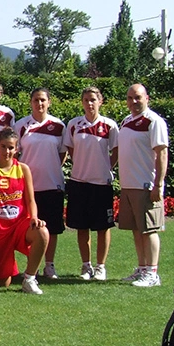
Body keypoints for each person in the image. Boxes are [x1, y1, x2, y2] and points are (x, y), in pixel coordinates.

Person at [0, 127, 50, 295]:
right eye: (4, 146)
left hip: (18, 227)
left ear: (17, 148)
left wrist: (34, 217)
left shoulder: (23, 169)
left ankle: (29, 279)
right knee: (0, 283)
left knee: (42, 232)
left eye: (11, 147)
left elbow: (30, 199)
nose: (7, 151)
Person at [63, 86, 119, 281]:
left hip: (101, 184)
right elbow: (68, 148)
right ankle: (86, 266)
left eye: (93, 100)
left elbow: (116, 150)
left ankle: (101, 266)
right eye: (86, 100)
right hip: (79, 181)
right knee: (82, 226)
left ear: (100, 101)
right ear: (82, 102)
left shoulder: (110, 125)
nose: (89, 103)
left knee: (103, 227)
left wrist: (106, 168)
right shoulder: (73, 124)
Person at [118, 84, 169, 288]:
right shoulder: (127, 121)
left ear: (147, 98)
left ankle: (152, 272)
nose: (134, 102)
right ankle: (142, 268)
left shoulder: (154, 121)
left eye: (138, 97)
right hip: (129, 184)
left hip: (146, 184)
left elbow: (162, 153)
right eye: (130, 98)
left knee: (149, 229)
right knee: (137, 229)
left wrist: (158, 184)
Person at [12, 88, 66, 279]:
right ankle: (28, 267)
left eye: (43, 100)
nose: (39, 103)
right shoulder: (20, 125)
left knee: (52, 229)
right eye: (36, 100)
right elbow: (14, 154)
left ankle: (49, 266)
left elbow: (62, 153)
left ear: (49, 102)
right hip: (28, 187)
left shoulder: (59, 126)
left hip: (53, 184)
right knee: (28, 228)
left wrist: (50, 167)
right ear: (31, 102)